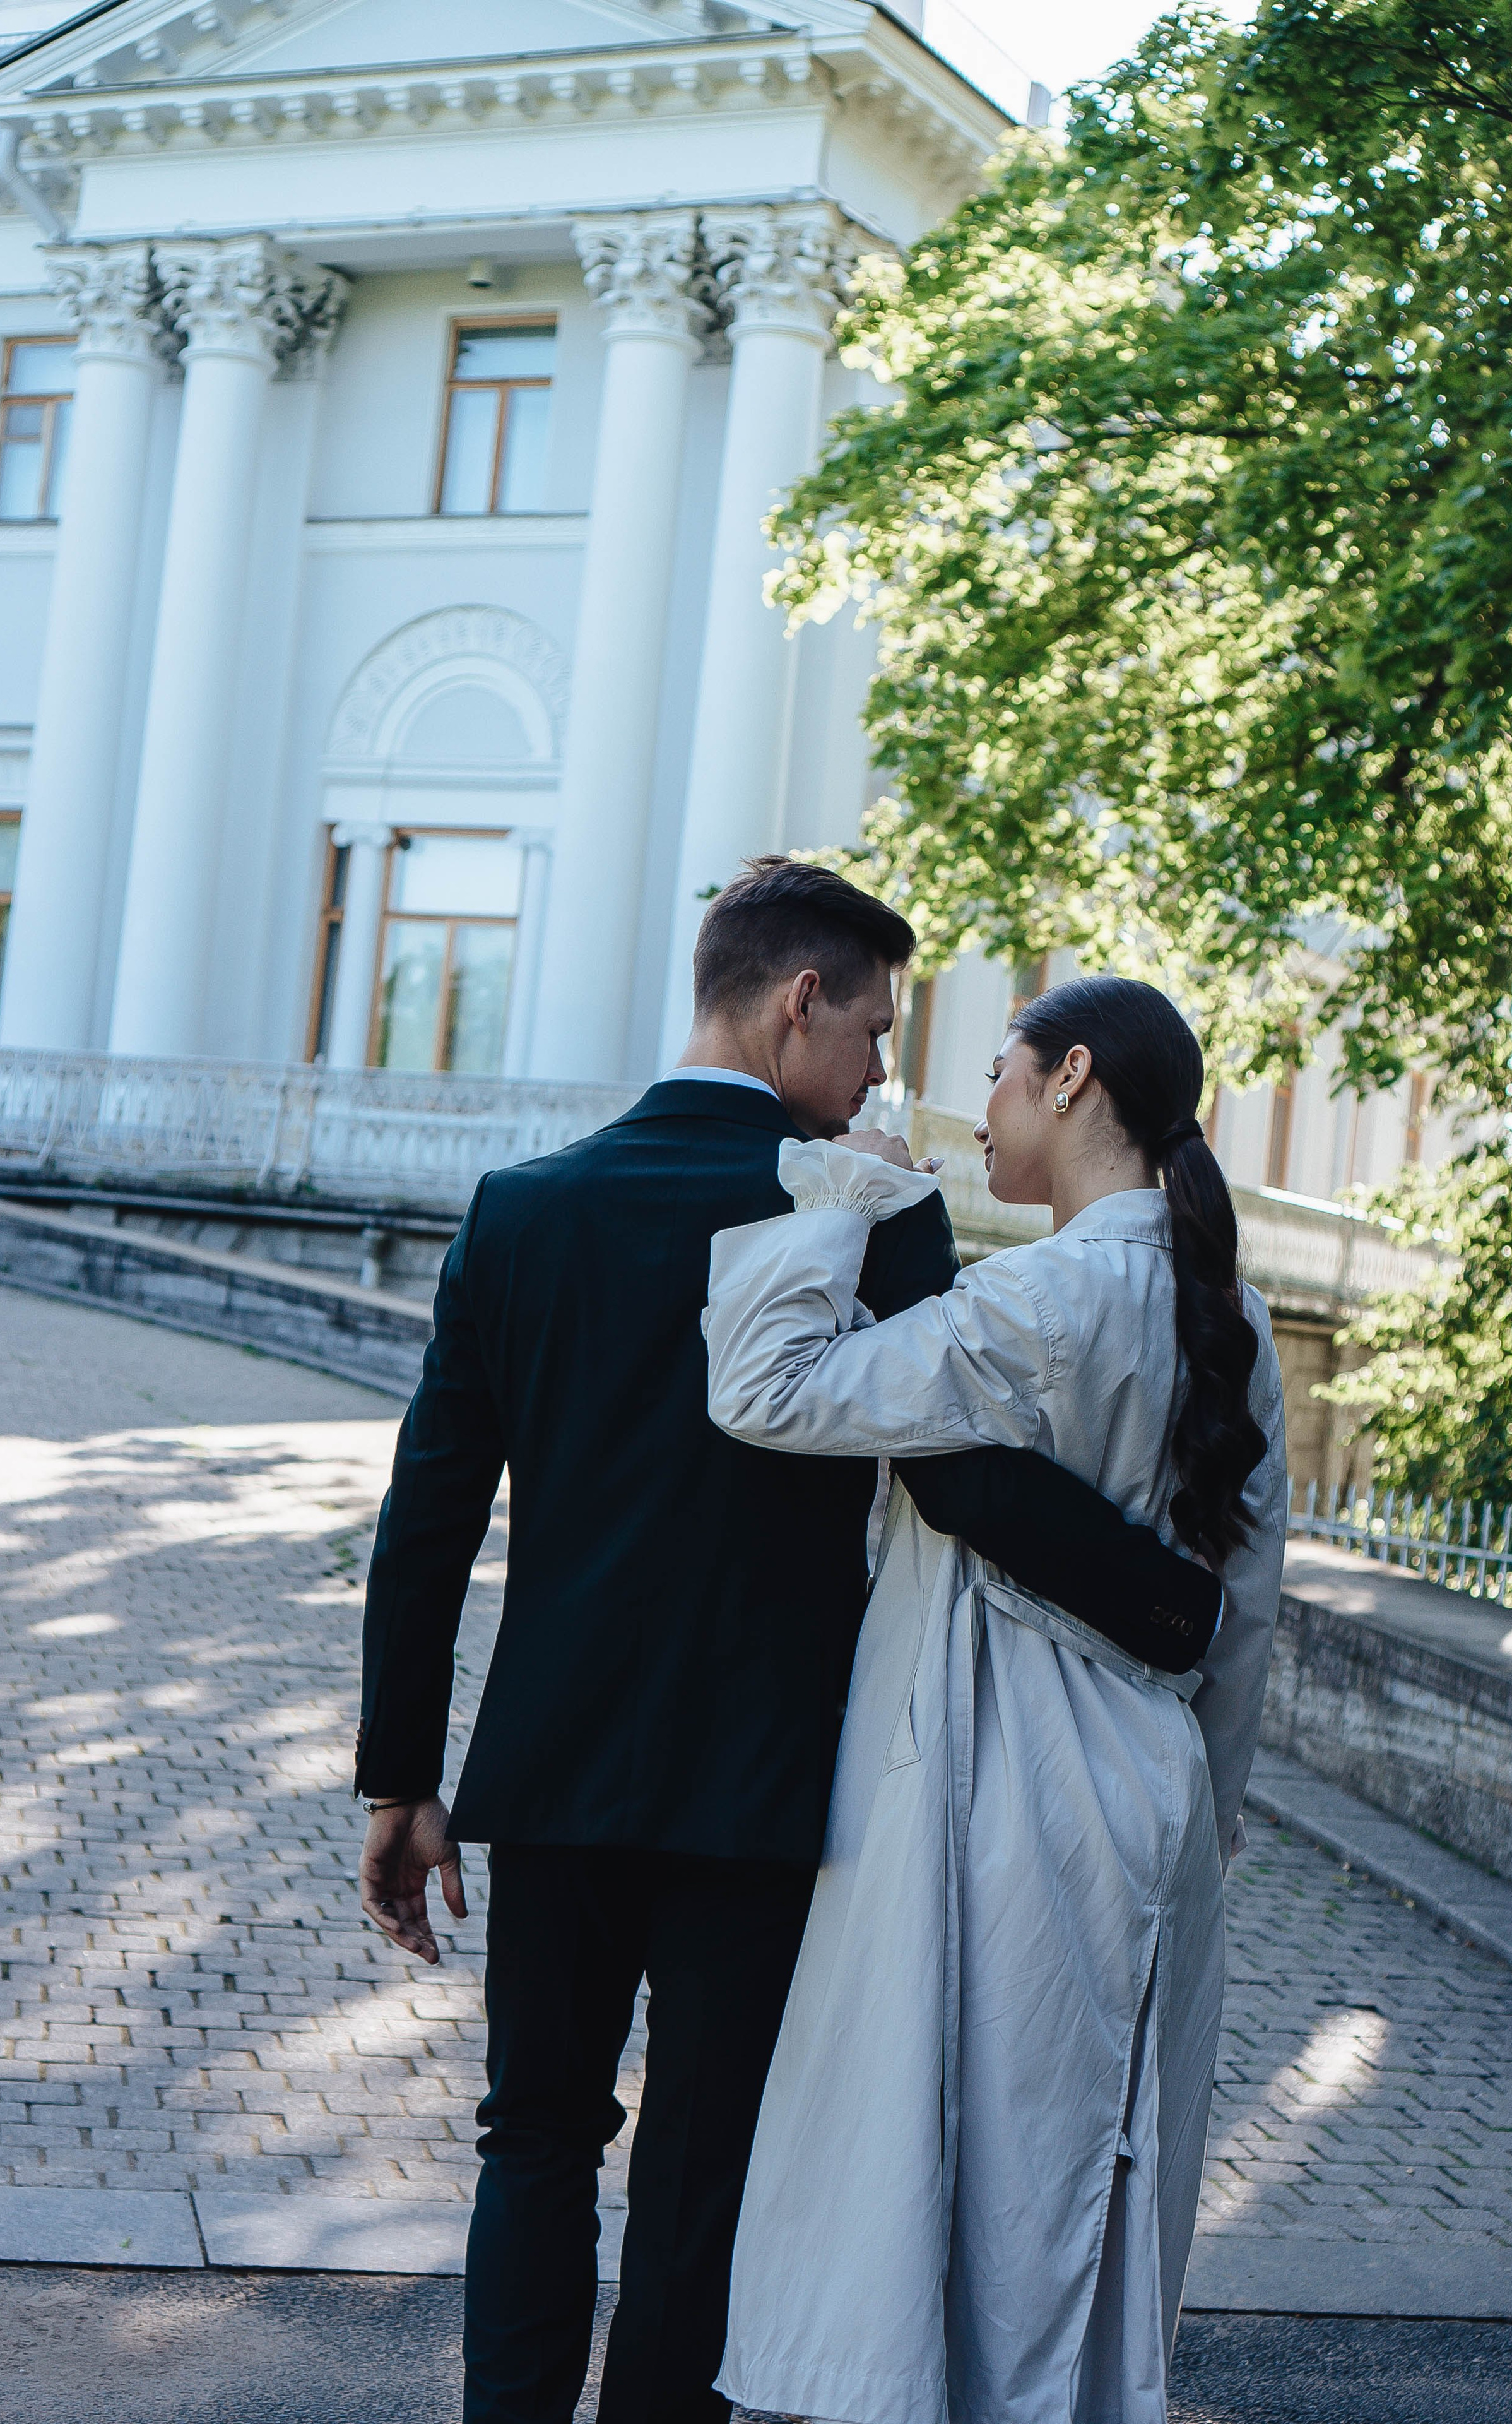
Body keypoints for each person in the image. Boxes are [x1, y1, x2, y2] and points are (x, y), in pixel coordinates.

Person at [353, 867, 1221, 2424]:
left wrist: (397, 1778)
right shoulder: (869, 1212)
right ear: (795, 1003)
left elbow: (429, 1518)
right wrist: (1170, 1605)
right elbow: (960, 1481)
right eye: (875, 1032)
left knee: (531, 2138)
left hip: (553, 1766)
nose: (882, 1076)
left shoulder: (524, 1209)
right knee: (705, 2158)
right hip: (772, 1783)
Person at [704, 974, 1289, 2424]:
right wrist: (1206, 1808)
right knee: (1098, 2175)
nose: (981, 1110)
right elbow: (1246, 1613)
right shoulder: (1235, 1317)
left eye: (1001, 1074)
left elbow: (766, 1390)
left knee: (966, 2173)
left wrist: (843, 1197)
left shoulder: (1035, 1298)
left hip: (1000, 1770)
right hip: (1147, 1785)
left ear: (1073, 1077)